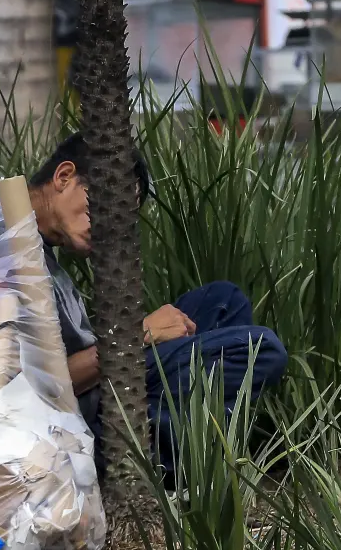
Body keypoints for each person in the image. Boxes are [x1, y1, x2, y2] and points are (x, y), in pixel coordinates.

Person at [26, 132, 288, 478]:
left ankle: (188, 446)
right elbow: (28, 388)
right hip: (81, 418)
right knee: (260, 349)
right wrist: (137, 337)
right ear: (64, 177)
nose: (109, 227)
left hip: (102, 383)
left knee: (223, 300)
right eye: (105, 206)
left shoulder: (38, 246)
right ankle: (170, 457)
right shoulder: (3, 249)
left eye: (122, 217)